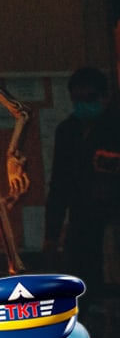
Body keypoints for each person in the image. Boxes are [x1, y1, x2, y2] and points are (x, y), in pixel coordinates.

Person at [44, 66, 120, 291]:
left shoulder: (114, 128)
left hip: (113, 218)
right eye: (77, 100)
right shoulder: (68, 131)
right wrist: (51, 236)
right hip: (82, 223)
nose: (83, 105)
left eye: (90, 98)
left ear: (105, 97)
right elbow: (59, 185)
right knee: (83, 288)